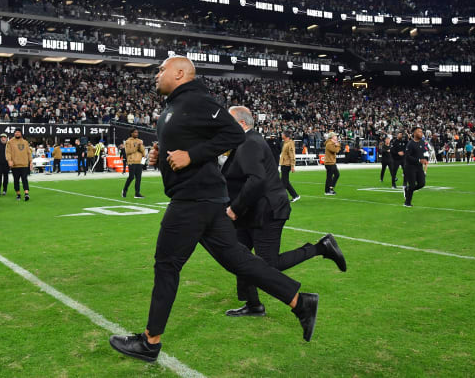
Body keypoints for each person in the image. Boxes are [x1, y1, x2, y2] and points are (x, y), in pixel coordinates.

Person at [109, 57, 319, 363]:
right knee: (239, 260)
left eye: (161, 69)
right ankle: (300, 301)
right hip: (204, 201)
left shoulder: (196, 98)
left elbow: (234, 134)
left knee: (167, 265)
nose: (156, 74)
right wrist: (161, 156)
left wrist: (192, 155)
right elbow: (184, 147)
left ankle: (150, 341)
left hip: (193, 201)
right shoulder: (173, 106)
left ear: (180, 73)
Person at [223, 106, 346, 317]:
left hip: (267, 210)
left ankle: (320, 248)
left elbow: (257, 180)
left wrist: (235, 208)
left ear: (241, 124)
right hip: (253, 210)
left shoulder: (250, 142)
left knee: (267, 265)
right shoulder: (245, 141)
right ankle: (253, 304)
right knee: (238, 257)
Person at [403, 126, 429, 208]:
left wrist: (425, 159)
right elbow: (407, 156)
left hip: (419, 167)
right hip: (410, 167)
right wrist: (419, 160)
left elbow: (425, 152)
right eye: (419, 131)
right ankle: (407, 202)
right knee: (412, 185)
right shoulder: (410, 143)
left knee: (422, 183)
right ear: (414, 133)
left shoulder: (422, 142)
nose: (421, 133)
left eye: (421, 131)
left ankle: (407, 190)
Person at [6, 129, 32, 201]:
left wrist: (31, 162)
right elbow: (8, 152)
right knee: (16, 180)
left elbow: (29, 153)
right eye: (16, 132)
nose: (17, 133)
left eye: (18, 132)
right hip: (15, 165)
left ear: (21, 133)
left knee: (24, 179)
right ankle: (18, 194)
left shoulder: (25, 142)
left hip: (24, 164)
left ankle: (26, 194)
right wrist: (9, 160)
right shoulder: (10, 142)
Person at [122, 128, 145, 198]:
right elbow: (128, 152)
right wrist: (136, 147)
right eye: (135, 132)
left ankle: (137, 193)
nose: (136, 134)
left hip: (139, 161)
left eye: (137, 133)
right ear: (131, 133)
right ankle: (124, 190)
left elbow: (143, 151)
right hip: (131, 161)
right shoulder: (128, 141)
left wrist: (140, 146)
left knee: (139, 178)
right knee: (131, 177)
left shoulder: (139, 141)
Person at [279, 131, 300, 202]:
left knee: (284, 182)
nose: (281, 135)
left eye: (282, 134)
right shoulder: (285, 143)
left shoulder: (290, 143)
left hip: (287, 164)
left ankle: (282, 198)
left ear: (286, 136)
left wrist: (292, 166)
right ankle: (295, 195)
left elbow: (292, 155)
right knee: (285, 181)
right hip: (283, 163)